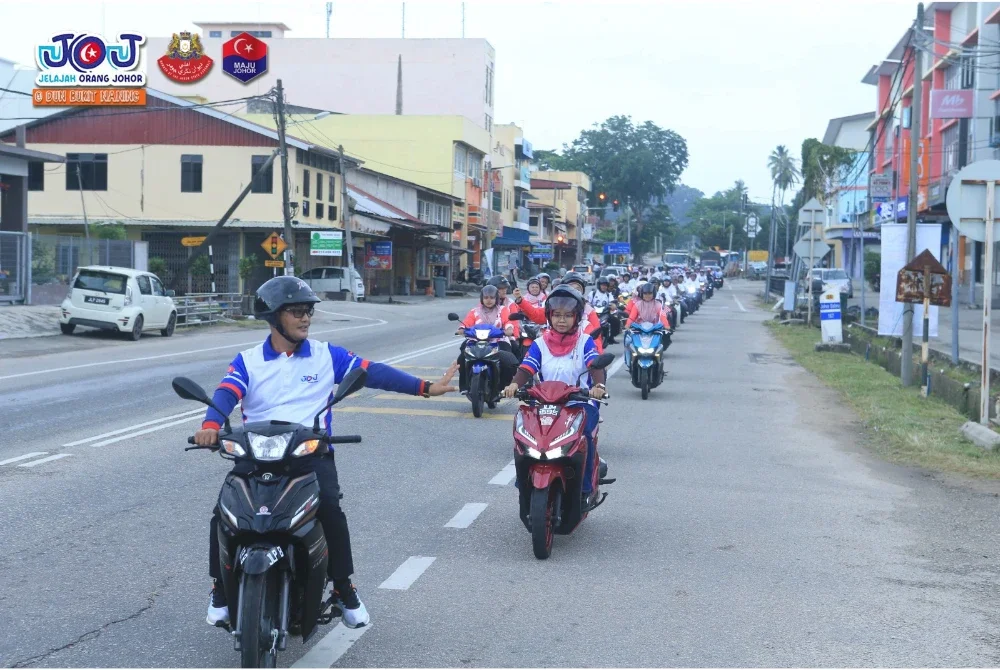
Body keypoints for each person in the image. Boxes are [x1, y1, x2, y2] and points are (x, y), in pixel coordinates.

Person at [196, 276, 458, 630]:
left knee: (330, 510)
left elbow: (371, 372)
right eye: (296, 311)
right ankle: (220, 589)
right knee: (224, 514)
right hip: (256, 454)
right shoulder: (248, 360)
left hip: (309, 453)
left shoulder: (325, 355)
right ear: (274, 317)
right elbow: (227, 392)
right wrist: (211, 425)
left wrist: (424, 386)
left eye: (308, 311)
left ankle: (343, 588)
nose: (305, 318)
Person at [501, 285, 608, 503]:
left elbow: (595, 365)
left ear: (576, 317)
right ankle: (523, 483)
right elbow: (526, 368)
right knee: (523, 436)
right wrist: (513, 385)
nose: (561, 320)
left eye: (567, 315)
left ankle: (585, 489)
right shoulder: (540, 344)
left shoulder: (584, 342)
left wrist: (599, 386)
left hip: (579, 403)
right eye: (557, 315)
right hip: (544, 403)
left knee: (585, 436)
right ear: (549, 316)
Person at [456, 284, 518, 390]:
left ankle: (504, 386)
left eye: (492, 297)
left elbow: (507, 321)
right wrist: (462, 329)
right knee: (462, 358)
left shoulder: (502, 309)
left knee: (507, 360)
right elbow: (467, 322)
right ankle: (465, 386)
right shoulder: (475, 311)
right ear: (482, 298)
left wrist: (509, 329)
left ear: (496, 298)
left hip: (498, 340)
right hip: (476, 340)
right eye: (486, 297)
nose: (489, 300)